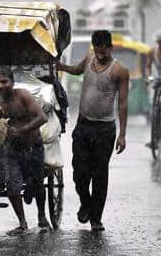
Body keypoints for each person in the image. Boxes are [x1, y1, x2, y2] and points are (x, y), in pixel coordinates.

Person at [56, 30, 130, 232]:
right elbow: (76, 70)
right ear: (93, 48)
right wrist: (60, 66)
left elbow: (123, 104)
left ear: (110, 48)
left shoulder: (120, 71)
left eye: (104, 51)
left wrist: (122, 135)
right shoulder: (89, 58)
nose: (100, 55)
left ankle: (96, 218)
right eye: (97, 51)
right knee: (79, 173)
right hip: (83, 125)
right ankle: (85, 203)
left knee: (99, 175)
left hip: (105, 129)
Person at [0, 68, 48, 235]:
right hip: (11, 149)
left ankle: (42, 216)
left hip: (33, 147)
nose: (0, 86)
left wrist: (23, 130)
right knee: (12, 186)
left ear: (12, 83)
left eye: (4, 82)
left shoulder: (23, 96)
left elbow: (42, 117)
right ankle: (22, 223)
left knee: (38, 184)